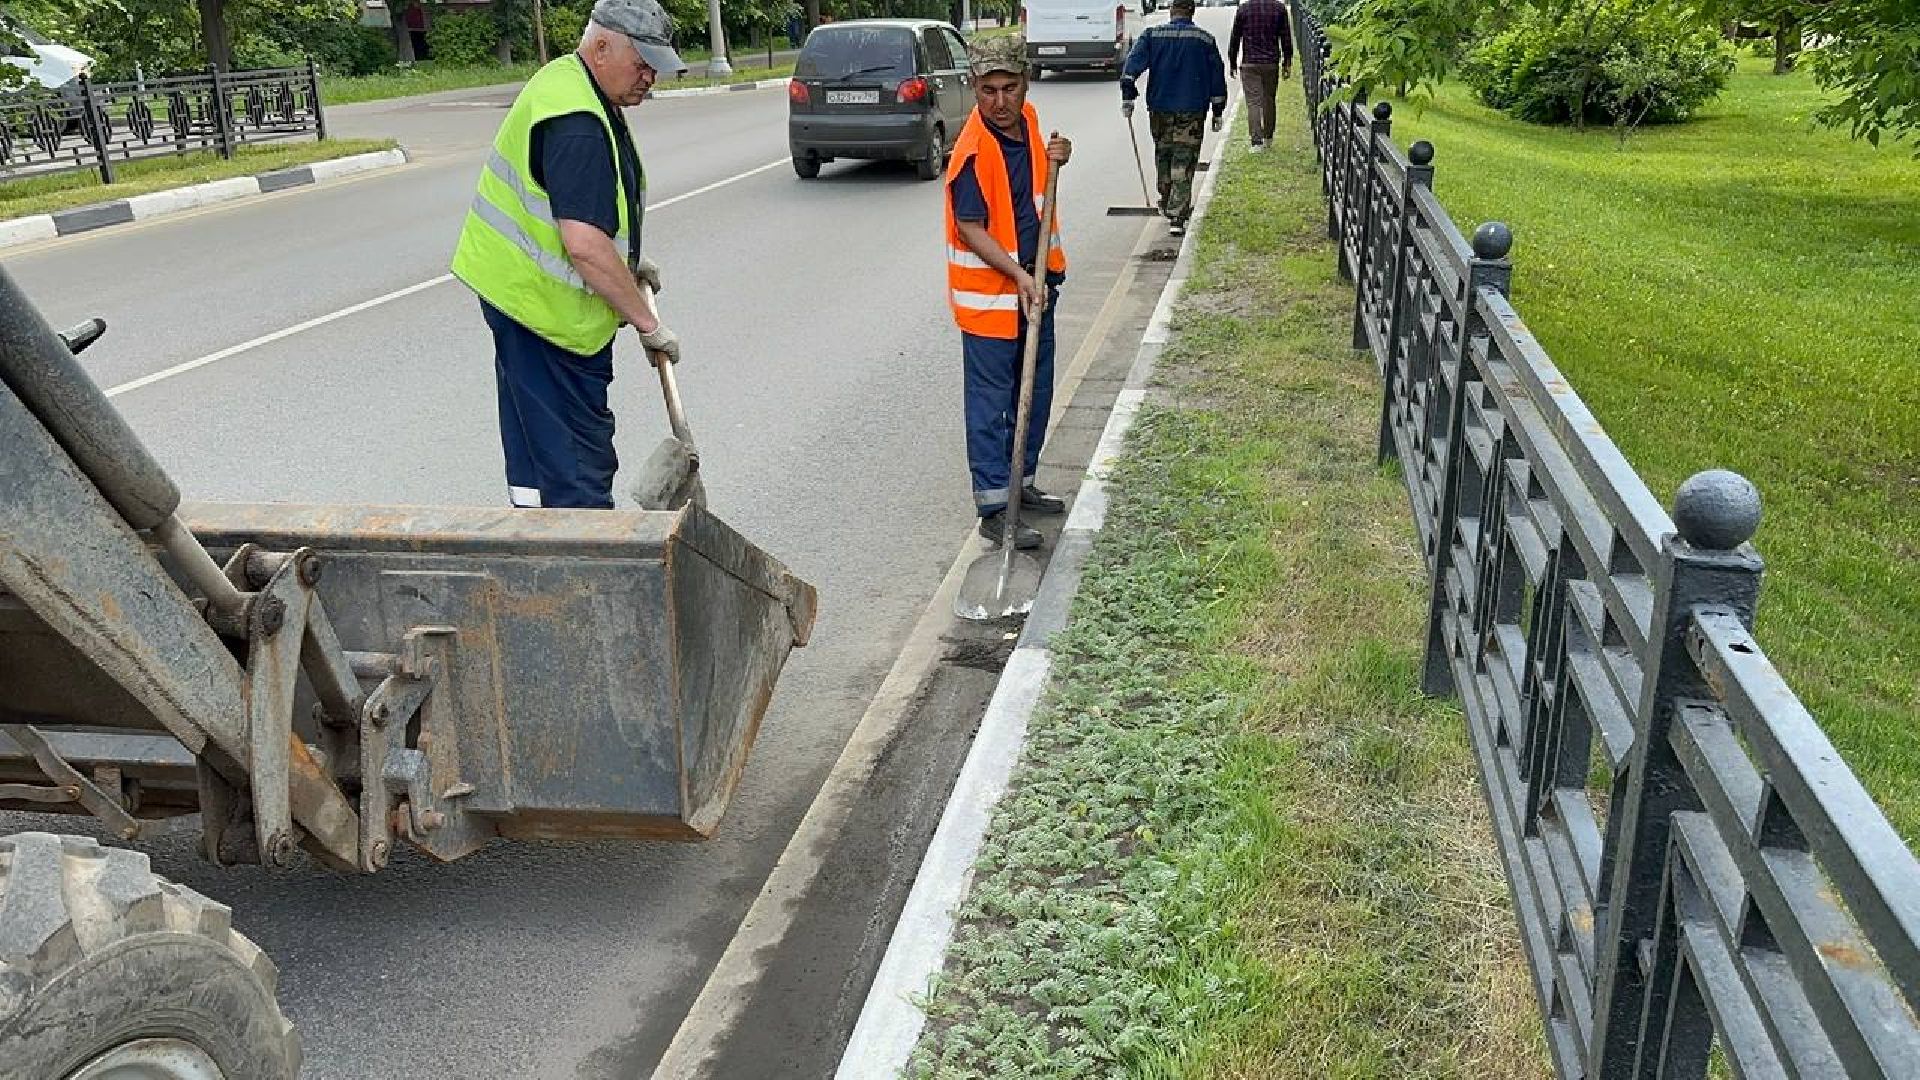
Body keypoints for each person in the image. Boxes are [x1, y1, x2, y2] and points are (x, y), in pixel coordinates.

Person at [450, 0, 686, 510]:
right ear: (601, 47)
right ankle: (589, 573)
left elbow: (580, 213)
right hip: (549, 321)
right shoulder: (577, 119)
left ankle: (535, 551)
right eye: (642, 63)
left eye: (656, 67)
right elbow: (583, 244)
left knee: (538, 459)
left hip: (519, 304)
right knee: (578, 468)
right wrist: (647, 323)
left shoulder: (568, 82)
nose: (651, 77)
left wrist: (626, 262)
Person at [945, 34, 1073, 550]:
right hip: (992, 303)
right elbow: (972, 228)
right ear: (975, 89)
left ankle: (1022, 484)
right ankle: (996, 507)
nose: (1000, 103)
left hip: (1038, 289)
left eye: (1009, 89)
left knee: (1035, 395)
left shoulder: (1032, 122)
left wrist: (1059, 155)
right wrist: (1019, 276)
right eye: (988, 91)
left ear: (1025, 84)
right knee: (993, 405)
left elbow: (1038, 185)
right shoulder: (973, 151)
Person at [1120, 0, 1227, 236]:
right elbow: (1216, 76)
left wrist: (1128, 94)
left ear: (1171, 11)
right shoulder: (1205, 40)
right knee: (1185, 158)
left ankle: (1167, 199)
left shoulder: (1152, 35)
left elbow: (1131, 67)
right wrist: (1218, 110)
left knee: (1164, 153)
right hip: (1192, 109)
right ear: (1192, 11)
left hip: (1160, 107)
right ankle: (1177, 216)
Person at [1228, 0, 1293, 151]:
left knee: (1253, 102)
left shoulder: (1244, 9)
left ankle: (1256, 142)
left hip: (1250, 63)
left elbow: (1235, 38)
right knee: (1269, 99)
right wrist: (1287, 62)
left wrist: (1232, 61)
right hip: (1271, 63)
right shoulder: (1279, 8)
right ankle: (1268, 137)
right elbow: (1286, 37)